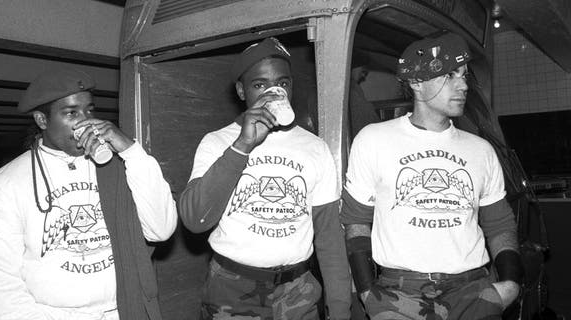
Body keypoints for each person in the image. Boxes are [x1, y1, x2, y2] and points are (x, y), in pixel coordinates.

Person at [341, 31, 523, 319]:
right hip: (400, 294)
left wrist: (511, 283)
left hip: (472, 291)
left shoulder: (481, 150)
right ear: (415, 82)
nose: (463, 85)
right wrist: (366, 292)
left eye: (464, 75)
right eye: (450, 75)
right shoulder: (374, 140)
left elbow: (499, 223)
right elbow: (355, 220)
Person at [0, 69, 177, 320]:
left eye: (89, 110)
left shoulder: (119, 165)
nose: (85, 122)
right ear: (42, 120)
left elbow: (161, 229)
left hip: (124, 311)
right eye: (71, 113)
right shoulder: (7, 183)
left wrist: (131, 151)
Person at [179, 37, 351, 319]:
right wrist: (241, 146)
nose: (273, 93)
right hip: (231, 289)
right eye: (260, 85)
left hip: (298, 291)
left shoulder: (314, 147)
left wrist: (341, 307)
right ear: (241, 91)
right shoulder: (217, 142)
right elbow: (195, 219)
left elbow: (329, 236)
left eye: (282, 83)